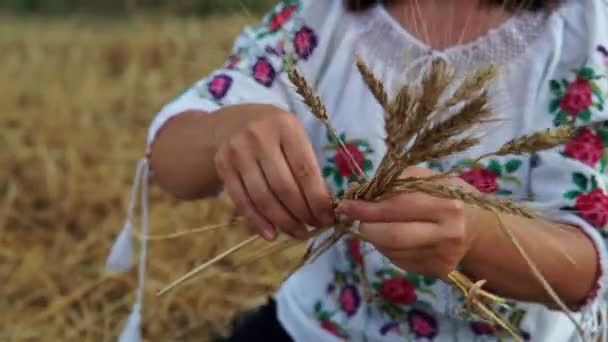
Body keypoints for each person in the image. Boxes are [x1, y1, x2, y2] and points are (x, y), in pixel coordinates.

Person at [146, 0, 608, 340]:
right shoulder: (320, 17)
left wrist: (477, 234)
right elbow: (169, 155)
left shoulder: (585, 31)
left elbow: (589, 268)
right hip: (316, 330)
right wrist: (226, 129)